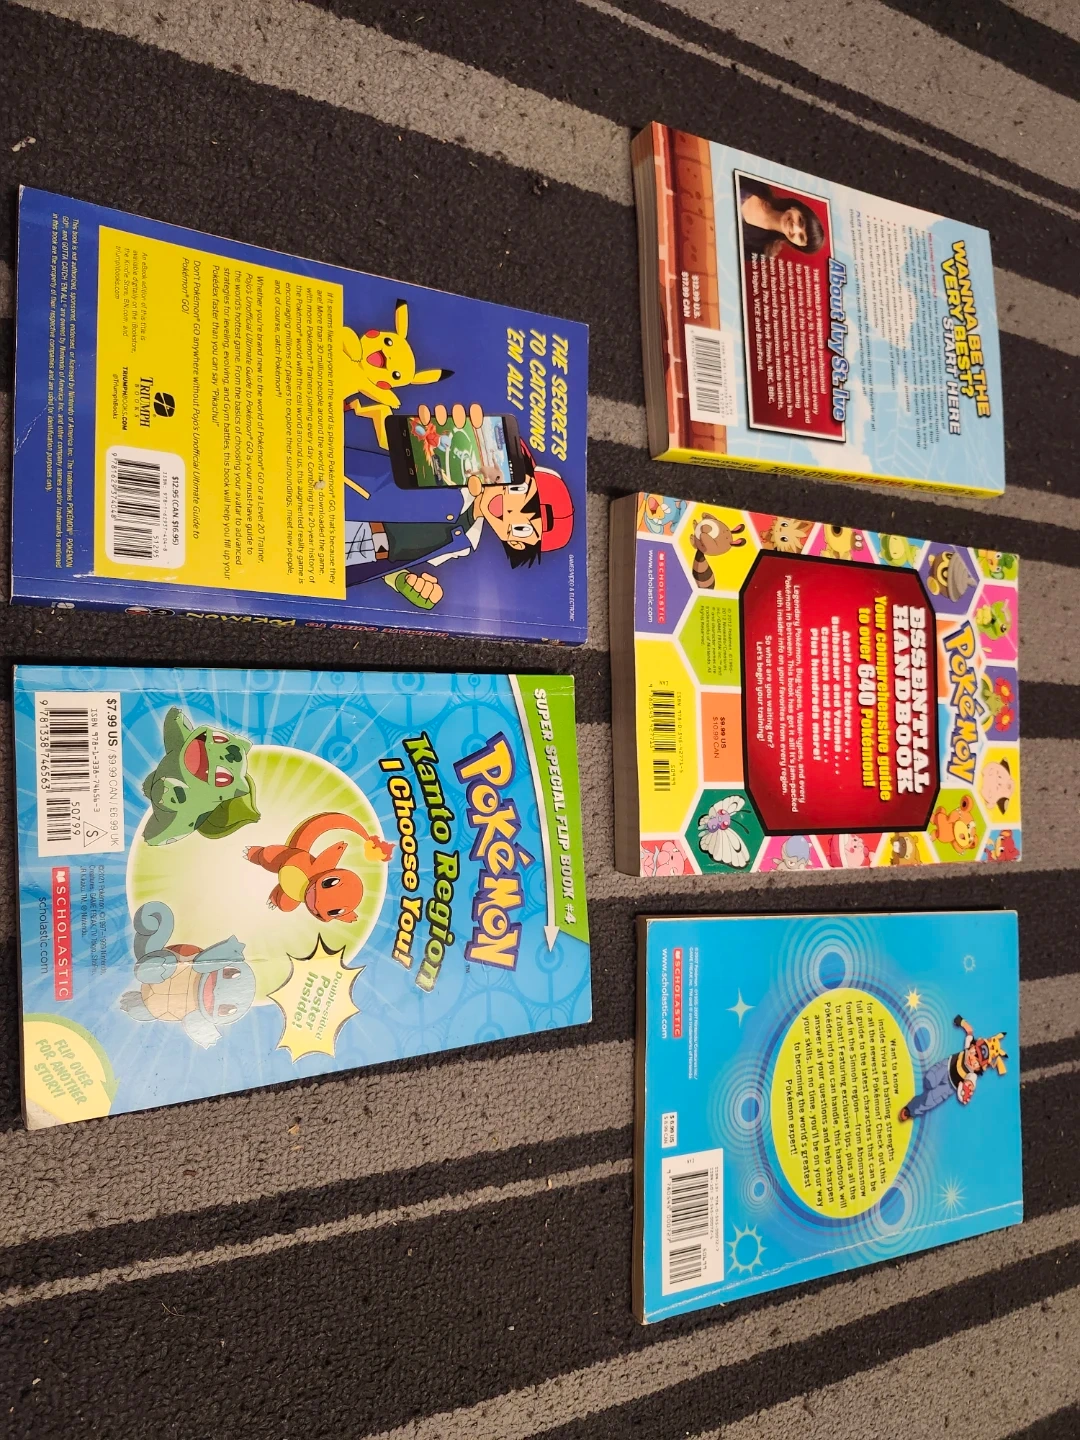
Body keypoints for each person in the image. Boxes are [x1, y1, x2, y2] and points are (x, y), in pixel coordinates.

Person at [738, 176, 826, 260]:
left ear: (797, 245)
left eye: (801, 237)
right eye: (800, 221)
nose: (794, 228)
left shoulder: (763, 251)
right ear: (796, 208)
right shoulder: (761, 186)